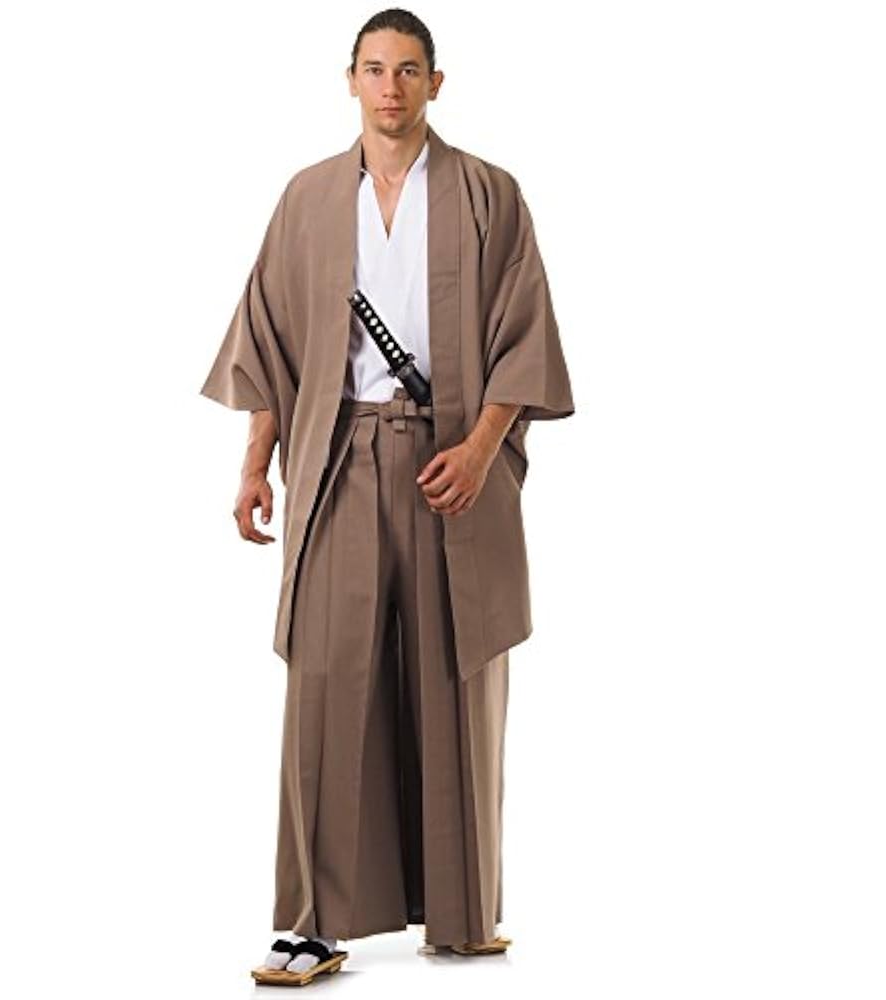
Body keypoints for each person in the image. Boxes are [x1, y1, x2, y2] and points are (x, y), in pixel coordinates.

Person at [199, 8, 575, 984]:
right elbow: (273, 341)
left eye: (409, 70)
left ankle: (460, 913)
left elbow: (522, 334)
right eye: (375, 68)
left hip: (453, 465)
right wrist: (255, 461)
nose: (391, 87)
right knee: (327, 681)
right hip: (339, 458)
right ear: (350, 80)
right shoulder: (309, 199)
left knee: (455, 676)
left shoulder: (489, 194)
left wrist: (482, 449)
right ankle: (310, 922)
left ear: (435, 83)